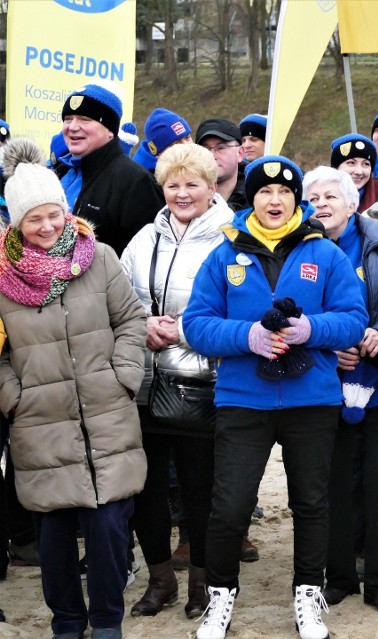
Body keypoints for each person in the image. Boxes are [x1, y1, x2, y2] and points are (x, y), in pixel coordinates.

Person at [182, 155, 368, 639]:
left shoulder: (324, 252)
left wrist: (312, 328)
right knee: (230, 505)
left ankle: (308, 592)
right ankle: (221, 595)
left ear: (296, 200)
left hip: (312, 399)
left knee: (311, 502)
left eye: (284, 192)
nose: (275, 200)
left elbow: (353, 317)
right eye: (265, 191)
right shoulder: (225, 253)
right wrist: (249, 337)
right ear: (252, 198)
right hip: (245, 399)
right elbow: (196, 324)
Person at [0, 137, 147, 639]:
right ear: (16, 223)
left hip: (106, 415)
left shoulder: (99, 257)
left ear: (67, 211)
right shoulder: (1, 274)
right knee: (55, 536)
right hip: (39, 422)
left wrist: (124, 376)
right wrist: (14, 396)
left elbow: (130, 321)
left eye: (54, 215)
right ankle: (67, 622)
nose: (47, 227)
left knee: (109, 530)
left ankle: (107, 622)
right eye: (34, 219)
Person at [303, 166, 378, 614]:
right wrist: (328, 345)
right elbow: (285, 314)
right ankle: (338, 578)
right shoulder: (302, 249)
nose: (321, 204)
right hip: (322, 387)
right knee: (331, 484)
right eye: (312, 196)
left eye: (330, 196)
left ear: (352, 201)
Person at [120, 143, 234, 620]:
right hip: (145, 383)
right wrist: (141, 324)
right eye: (172, 184)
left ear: (212, 187)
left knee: (198, 488)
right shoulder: (144, 238)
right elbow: (120, 296)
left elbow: (237, 306)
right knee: (145, 490)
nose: (182, 193)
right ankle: (160, 577)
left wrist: (182, 330)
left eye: (193, 184)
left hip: (201, 383)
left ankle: (202, 583)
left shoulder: (231, 238)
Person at [59, 83, 165, 256]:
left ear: (110, 129)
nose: (72, 126)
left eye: (85, 119)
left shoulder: (136, 181)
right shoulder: (61, 173)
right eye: (68, 118)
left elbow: (147, 258)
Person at [196, 118, 247, 211]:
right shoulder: (184, 201)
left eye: (221, 148)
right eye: (205, 149)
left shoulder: (256, 200)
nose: (212, 155)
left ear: (240, 153)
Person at [329, 133, 378, 212]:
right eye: (351, 163)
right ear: (336, 168)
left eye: (365, 164)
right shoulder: (319, 198)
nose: (359, 172)